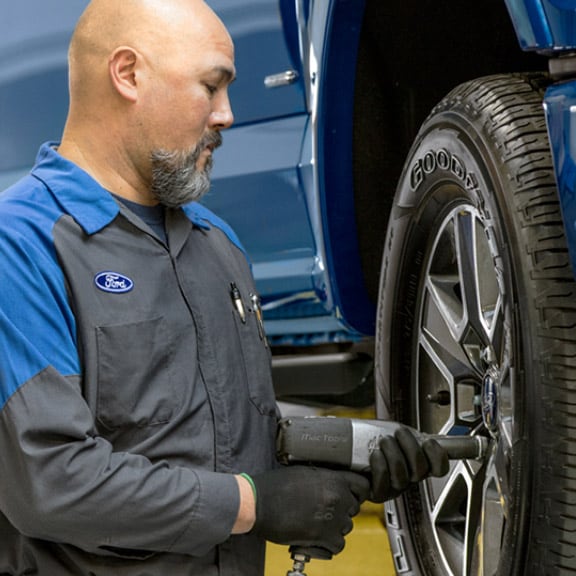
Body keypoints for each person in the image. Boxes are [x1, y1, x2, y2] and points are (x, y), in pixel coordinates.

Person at [0, 1, 448, 574]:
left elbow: (213, 428)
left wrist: (346, 455)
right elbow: (51, 482)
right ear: (128, 74)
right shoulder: (24, 245)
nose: (227, 115)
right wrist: (256, 505)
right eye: (211, 87)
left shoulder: (218, 245)